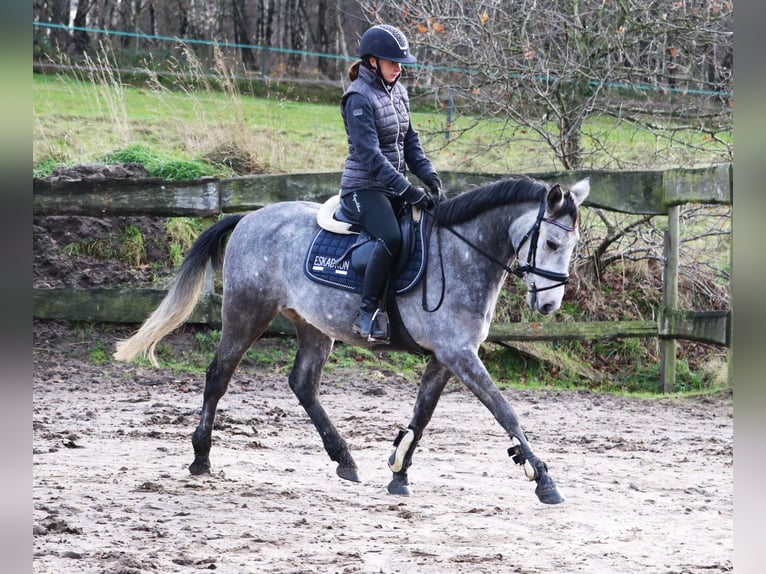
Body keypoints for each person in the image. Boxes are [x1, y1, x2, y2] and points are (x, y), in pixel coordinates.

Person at [338, 24, 442, 341]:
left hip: (391, 186)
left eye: (400, 63)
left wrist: (430, 176)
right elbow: (371, 157)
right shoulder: (358, 98)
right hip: (363, 189)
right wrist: (409, 191)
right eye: (392, 62)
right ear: (372, 62)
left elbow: (410, 144)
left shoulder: (398, 92)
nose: (399, 68)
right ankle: (366, 313)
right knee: (391, 238)